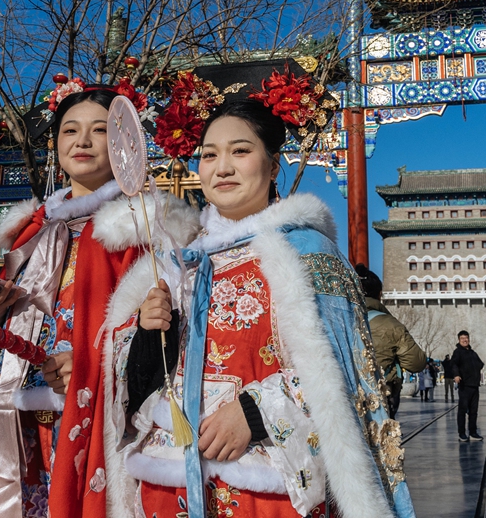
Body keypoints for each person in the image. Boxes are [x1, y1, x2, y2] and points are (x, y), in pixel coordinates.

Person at [0, 80, 201, 518]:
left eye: (100, 130)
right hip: (12, 415)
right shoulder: (33, 232)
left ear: (126, 143)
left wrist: (98, 362)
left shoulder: (145, 228)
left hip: (90, 420)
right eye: (70, 130)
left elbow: (173, 328)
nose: (83, 141)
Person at [124, 65, 414, 517]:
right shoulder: (181, 259)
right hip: (173, 475)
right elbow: (145, 381)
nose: (222, 167)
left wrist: (255, 412)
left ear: (273, 163)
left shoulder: (304, 250)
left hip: (266, 480)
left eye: (240, 151)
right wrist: (149, 330)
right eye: (208, 154)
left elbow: (343, 370)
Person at [358, 264, 426, 419]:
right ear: (379, 294)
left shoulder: (336, 320)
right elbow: (416, 363)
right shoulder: (392, 325)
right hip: (381, 400)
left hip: (344, 401)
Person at [452, 330, 485, 441]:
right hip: (464, 385)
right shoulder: (457, 352)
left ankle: (473, 432)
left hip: (474, 385)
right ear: (459, 340)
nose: (465, 340)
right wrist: (457, 375)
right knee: (462, 410)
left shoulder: (473, 353)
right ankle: (462, 433)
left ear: (469, 339)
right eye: (462, 338)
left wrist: (474, 371)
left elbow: (480, 364)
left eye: (466, 338)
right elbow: (454, 364)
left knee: (473, 411)